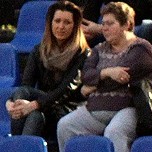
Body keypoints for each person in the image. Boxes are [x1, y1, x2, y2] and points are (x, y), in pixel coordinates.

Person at [56, 1, 152, 152]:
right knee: (65, 126)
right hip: (96, 110)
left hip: (129, 108)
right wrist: (108, 72)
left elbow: (125, 76)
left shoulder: (141, 48)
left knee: (115, 131)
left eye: (110, 23)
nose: (105, 28)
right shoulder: (98, 49)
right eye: (103, 24)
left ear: (127, 24)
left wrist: (96, 82)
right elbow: (85, 76)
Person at [6, 1, 90, 138]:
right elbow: (26, 85)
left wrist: (34, 104)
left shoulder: (83, 54)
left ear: (75, 26)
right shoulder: (39, 50)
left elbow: (65, 90)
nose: (61, 26)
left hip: (67, 109)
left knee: (34, 113)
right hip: (42, 107)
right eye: (57, 21)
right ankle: (20, 151)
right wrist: (10, 102)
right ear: (50, 23)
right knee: (33, 114)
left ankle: (17, 149)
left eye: (67, 22)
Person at [80, 0, 152, 46]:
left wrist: (101, 29)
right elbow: (87, 18)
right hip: (102, 30)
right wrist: (85, 29)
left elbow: (131, 21)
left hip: (135, 27)